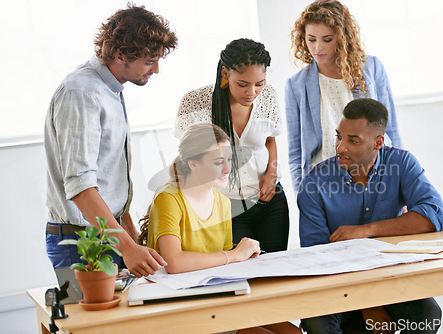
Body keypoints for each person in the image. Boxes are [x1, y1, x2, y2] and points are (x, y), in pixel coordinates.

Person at [44, 4, 178, 278]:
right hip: (82, 242)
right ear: (120, 55)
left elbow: (109, 178)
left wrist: (132, 237)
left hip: (108, 234)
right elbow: (81, 186)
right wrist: (127, 247)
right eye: (150, 61)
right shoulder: (82, 93)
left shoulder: (110, 89)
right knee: (93, 323)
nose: (156, 70)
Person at [297, 98, 443, 334]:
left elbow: (433, 215)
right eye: (339, 137)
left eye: (353, 140)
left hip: (388, 279)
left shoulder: (401, 163)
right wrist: (367, 303)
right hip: (335, 285)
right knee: (318, 324)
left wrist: (365, 231)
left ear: (378, 142)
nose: (340, 148)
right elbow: (316, 257)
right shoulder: (314, 184)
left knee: (427, 315)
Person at [138, 123, 301, 334]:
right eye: (218, 162)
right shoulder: (169, 198)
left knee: (293, 332)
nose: (227, 169)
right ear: (193, 163)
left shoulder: (222, 201)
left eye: (230, 160)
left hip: (214, 298)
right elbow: (174, 263)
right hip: (179, 304)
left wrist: (243, 259)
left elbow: (223, 267)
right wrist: (234, 255)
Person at [174, 38, 289, 252]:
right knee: (240, 271)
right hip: (225, 206)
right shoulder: (195, 102)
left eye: (259, 84)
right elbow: (186, 155)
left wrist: (271, 174)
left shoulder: (269, 97)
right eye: (243, 84)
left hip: (270, 200)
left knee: (277, 269)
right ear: (225, 73)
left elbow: (270, 140)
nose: (251, 93)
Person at [286, 0, 404, 192]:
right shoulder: (296, 85)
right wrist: (301, 193)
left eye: (327, 39)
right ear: (302, 38)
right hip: (326, 180)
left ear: (342, 38)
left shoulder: (371, 68)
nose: (317, 48)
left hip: (374, 173)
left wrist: (402, 183)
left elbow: (391, 130)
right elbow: (295, 152)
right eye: (311, 39)